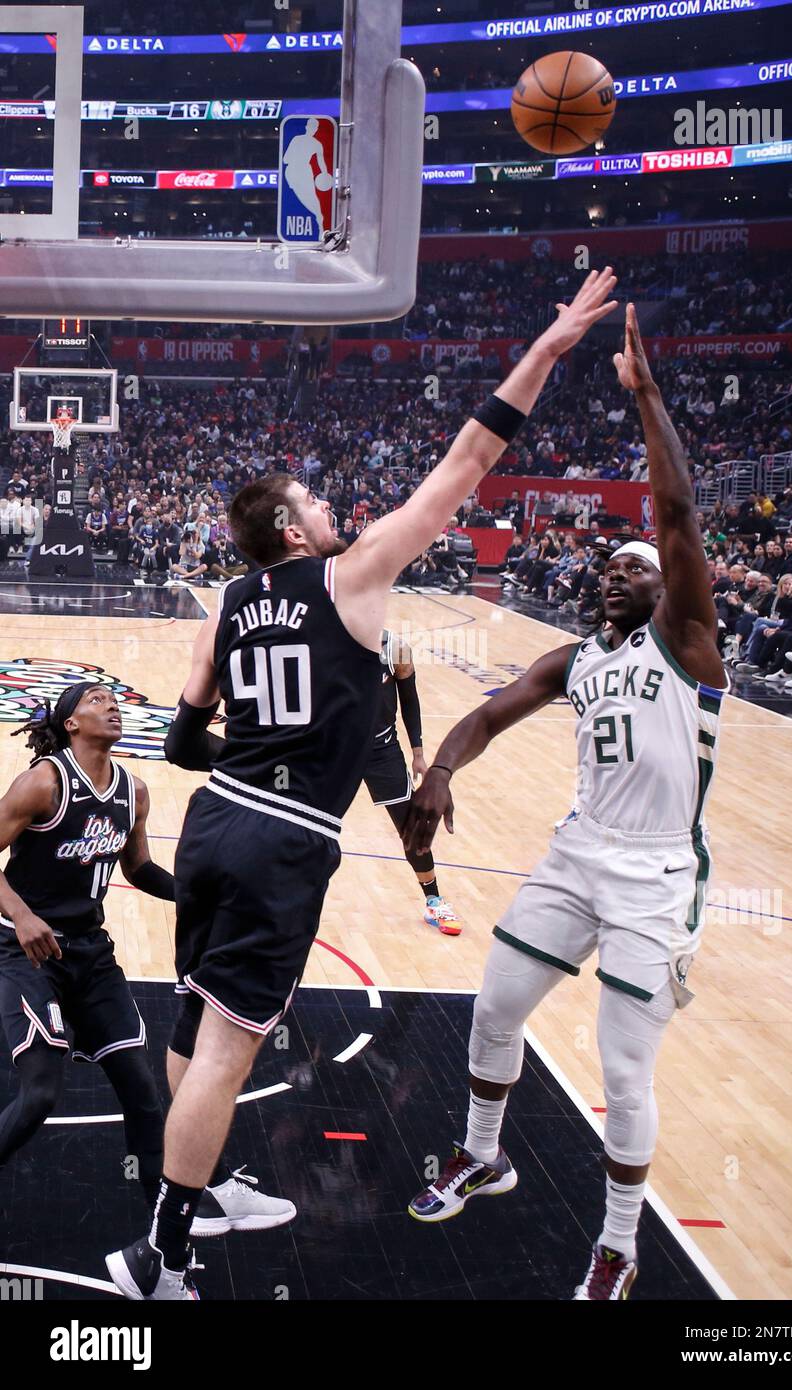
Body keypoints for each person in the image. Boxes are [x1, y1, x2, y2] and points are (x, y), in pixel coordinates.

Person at [104, 267, 620, 1301]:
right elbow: (470, 455)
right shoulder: (350, 575)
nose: (331, 504)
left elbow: (189, 737)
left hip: (215, 825)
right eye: (314, 500)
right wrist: (549, 345)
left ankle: (193, 1194)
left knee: (189, 1022)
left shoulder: (225, 605)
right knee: (227, 1052)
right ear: (293, 530)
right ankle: (163, 1253)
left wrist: (250, 757)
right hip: (281, 840)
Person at [403, 305, 728, 1301]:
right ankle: (481, 1153)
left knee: (623, 1074)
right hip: (576, 852)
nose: (614, 571)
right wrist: (441, 770)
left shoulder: (689, 644)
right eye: (609, 565)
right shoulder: (573, 657)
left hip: (652, 873)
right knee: (494, 1007)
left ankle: (618, 1246)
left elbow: (673, 520)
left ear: (661, 583)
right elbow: (489, 714)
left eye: (630, 565)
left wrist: (646, 399)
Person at [0, 685, 172, 1223]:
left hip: (92, 956)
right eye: (98, 699)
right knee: (40, 1096)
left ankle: (168, 1244)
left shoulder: (134, 791)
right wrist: (22, 915)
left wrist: (200, 893)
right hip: (26, 953)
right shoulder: (43, 783)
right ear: (70, 722)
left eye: (116, 699)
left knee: (144, 1094)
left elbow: (139, 869)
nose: (113, 704)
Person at [360, 630, 460, 935]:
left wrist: (418, 753)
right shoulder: (325, 640)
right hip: (334, 749)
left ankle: (434, 902)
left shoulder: (394, 648)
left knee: (412, 828)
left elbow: (409, 700)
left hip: (381, 750)